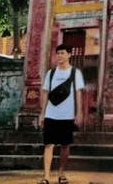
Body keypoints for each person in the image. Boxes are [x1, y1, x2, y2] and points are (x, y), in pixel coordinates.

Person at [38, 43, 85, 184]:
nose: (59, 56)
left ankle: (61, 174)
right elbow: (45, 93)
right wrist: (42, 113)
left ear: (69, 55)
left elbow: (78, 94)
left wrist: (79, 113)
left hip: (67, 115)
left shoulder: (75, 73)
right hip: (51, 114)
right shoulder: (51, 73)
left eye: (62, 53)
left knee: (65, 146)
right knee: (49, 145)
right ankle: (46, 176)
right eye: (58, 53)